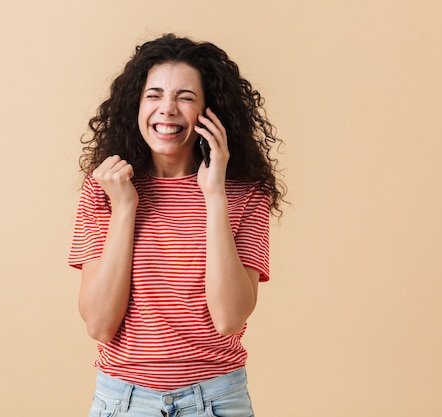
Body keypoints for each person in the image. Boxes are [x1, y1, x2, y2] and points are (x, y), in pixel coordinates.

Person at [68, 33, 284, 417]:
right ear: (135, 105)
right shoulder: (105, 186)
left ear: (209, 111)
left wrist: (214, 195)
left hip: (218, 401)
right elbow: (100, 325)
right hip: (123, 402)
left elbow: (229, 318)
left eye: (184, 97)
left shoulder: (246, 193)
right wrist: (124, 209)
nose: (166, 109)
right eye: (153, 95)